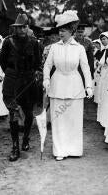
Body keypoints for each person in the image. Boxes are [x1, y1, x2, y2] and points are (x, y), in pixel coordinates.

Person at [43, 10, 93, 161]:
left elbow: (85, 68)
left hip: (75, 85)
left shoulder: (79, 48)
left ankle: (74, 149)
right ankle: (60, 150)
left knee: (73, 119)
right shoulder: (54, 47)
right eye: (59, 30)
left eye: (64, 30)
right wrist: (46, 79)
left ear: (71, 31)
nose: (60, 33)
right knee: (58, 119)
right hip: (57, 84)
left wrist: (89, 86)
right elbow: (47, 66)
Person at [0, 13, 42, 161]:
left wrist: (34, 74)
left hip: (29, 81)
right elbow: (3, 62)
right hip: (12, 80)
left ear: (27, 27)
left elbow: (38, 63)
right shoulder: (8, 42)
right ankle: (15, 147)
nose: (22, 30)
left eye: (24, 27)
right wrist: (13, 75)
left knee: (29, 113)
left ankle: (25, 138)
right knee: (13, 113)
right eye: (19, 27)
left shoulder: (34, 42)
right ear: (15, 28)